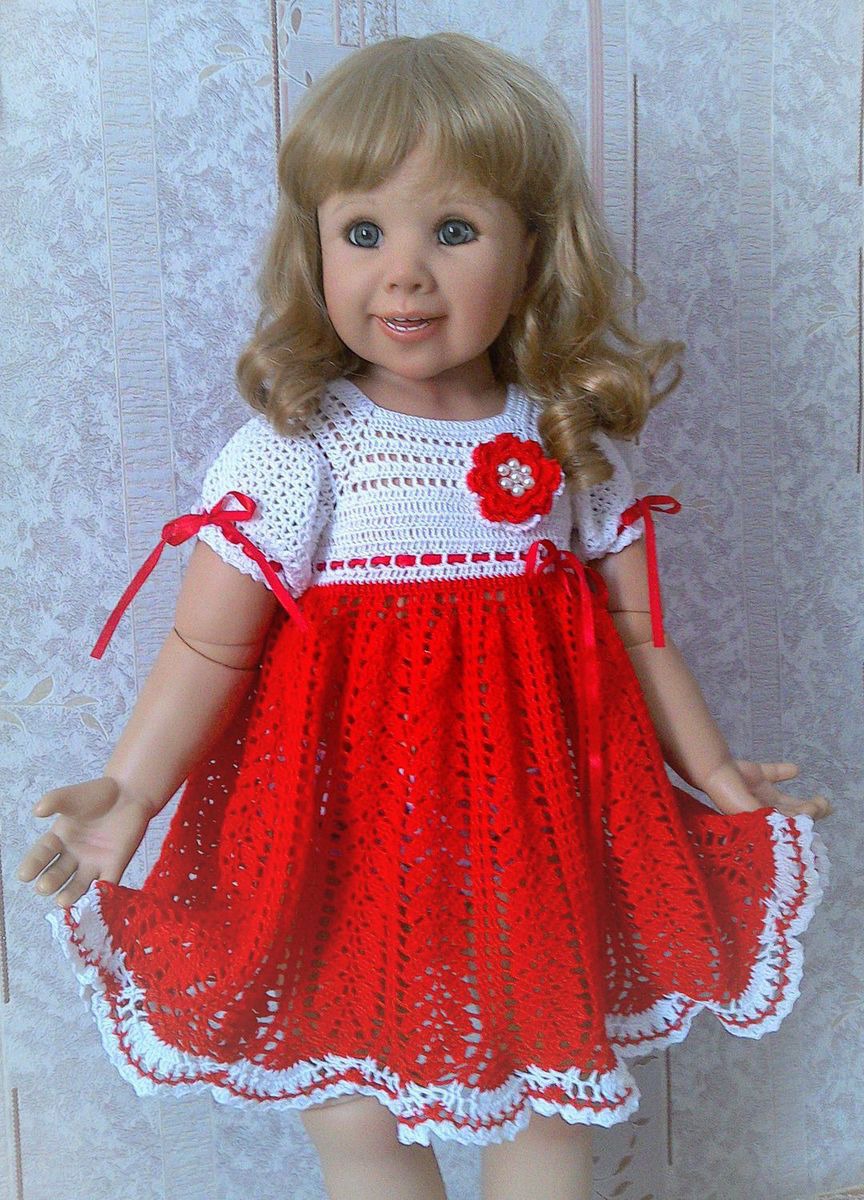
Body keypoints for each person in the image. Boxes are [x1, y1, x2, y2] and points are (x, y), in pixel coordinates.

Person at [16, 31, 831, 1200]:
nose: (404, 275)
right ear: (313, 249)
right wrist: (130, 792)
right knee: (356, 1114)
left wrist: (708, 774)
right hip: (342, 837)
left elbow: (636, 635)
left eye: (452, 231)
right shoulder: (301, 447)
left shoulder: (560, 434)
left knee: (547, 1099)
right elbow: (209, 641)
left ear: (531, 247)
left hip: (531, 838)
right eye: (363, 233)